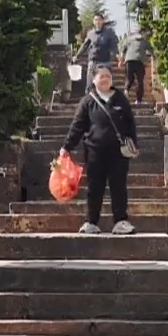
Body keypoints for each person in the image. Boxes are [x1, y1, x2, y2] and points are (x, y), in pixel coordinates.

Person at [63, 64, 139, 234]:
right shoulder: (87, 101)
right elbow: (77, 126)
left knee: (118, 186)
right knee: (94, 187)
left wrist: (134, 143)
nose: (105, 79)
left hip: (118, 152)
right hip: (94, 151)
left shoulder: (120, 98)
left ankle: (121, 221)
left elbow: (130, 123)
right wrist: (67, 146)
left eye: (108, 76)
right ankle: (91, 221)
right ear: (94, 79)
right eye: (101, 76)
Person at [75, 12, 119, 96]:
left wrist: (115, 55)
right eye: (96, 20)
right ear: (93, 22)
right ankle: (89, 100)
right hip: (93, 62)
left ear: (102, 21)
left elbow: (114, 46)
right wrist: (77, 55)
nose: (98, 22)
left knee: (106, 84)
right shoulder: (91, 33)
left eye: (99, 20)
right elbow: (84, 45)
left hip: (105, 61)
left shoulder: (109, 32)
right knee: (89, 85)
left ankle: (108, 100)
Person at [122, 27, 150, 101]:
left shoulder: (129, 39)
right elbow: (150, 51)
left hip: (129, 61)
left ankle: (126, 90)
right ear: (142, 33)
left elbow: (123, 49)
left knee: (129, 78)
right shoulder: (144, 41)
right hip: (139, 61)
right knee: (140, 81)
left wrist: (121, 60)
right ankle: (138, 100)